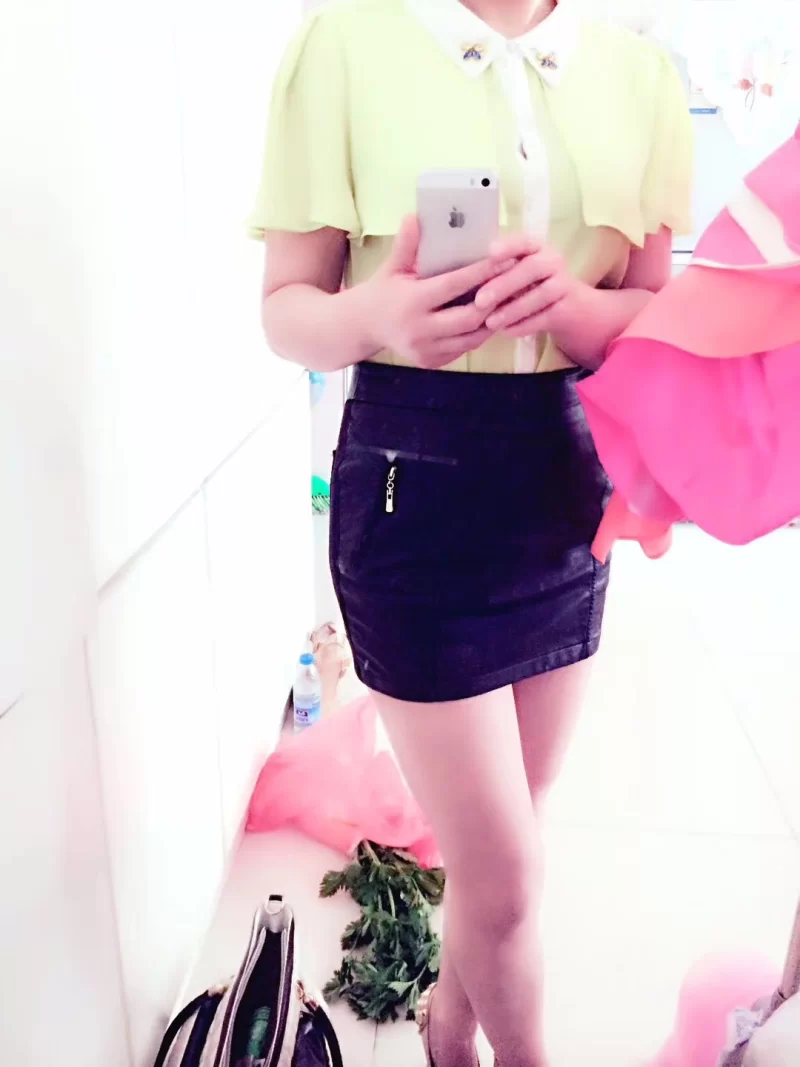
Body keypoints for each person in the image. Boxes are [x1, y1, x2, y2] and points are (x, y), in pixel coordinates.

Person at [250, 1, 693, 1064]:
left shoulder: (639, 76)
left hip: (565, 483)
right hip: (413, 481)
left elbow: (655, 313)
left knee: (511, 839)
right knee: (506, 878)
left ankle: (450, 1026)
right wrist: (380, 316)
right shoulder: (345, 43)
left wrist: (571, 308)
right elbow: (285, 307)